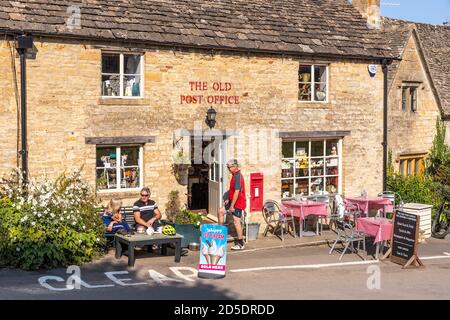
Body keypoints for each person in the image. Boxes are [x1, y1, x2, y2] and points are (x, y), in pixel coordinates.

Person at [218, 159, 246, 250]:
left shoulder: (238, 176)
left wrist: (232, 205)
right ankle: (220, 235)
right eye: (228, 167)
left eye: (229, 167)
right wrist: (227, 199)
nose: (228, 169)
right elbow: (232, 190)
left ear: (234, 166)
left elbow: (237, 192)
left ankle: (241, 243)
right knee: (220, 212)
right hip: (232, 201)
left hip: (238, 202)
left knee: (236, 222)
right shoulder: (234, 175)